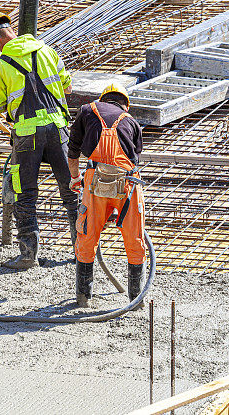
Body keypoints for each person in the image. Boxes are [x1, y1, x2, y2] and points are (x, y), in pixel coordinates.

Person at [0, 12, 78, 269]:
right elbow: (67, 86)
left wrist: (0, 106)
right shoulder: (48, 51)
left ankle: (27, 256)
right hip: (58, 128)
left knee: (24, 194)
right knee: (72, 192)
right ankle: (83, 251)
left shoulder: (1, 65)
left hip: (27, 134)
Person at [67, 83, 146, 308]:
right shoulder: (132, 122)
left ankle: (83, 299)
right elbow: (135, 158)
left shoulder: (86, 111)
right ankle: (136, 299)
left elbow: (72, 152)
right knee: (134, 238)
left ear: (103, 99)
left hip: (94, 182)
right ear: (125, 105)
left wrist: (75, 179)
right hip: (128, 184)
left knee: (87, 235)